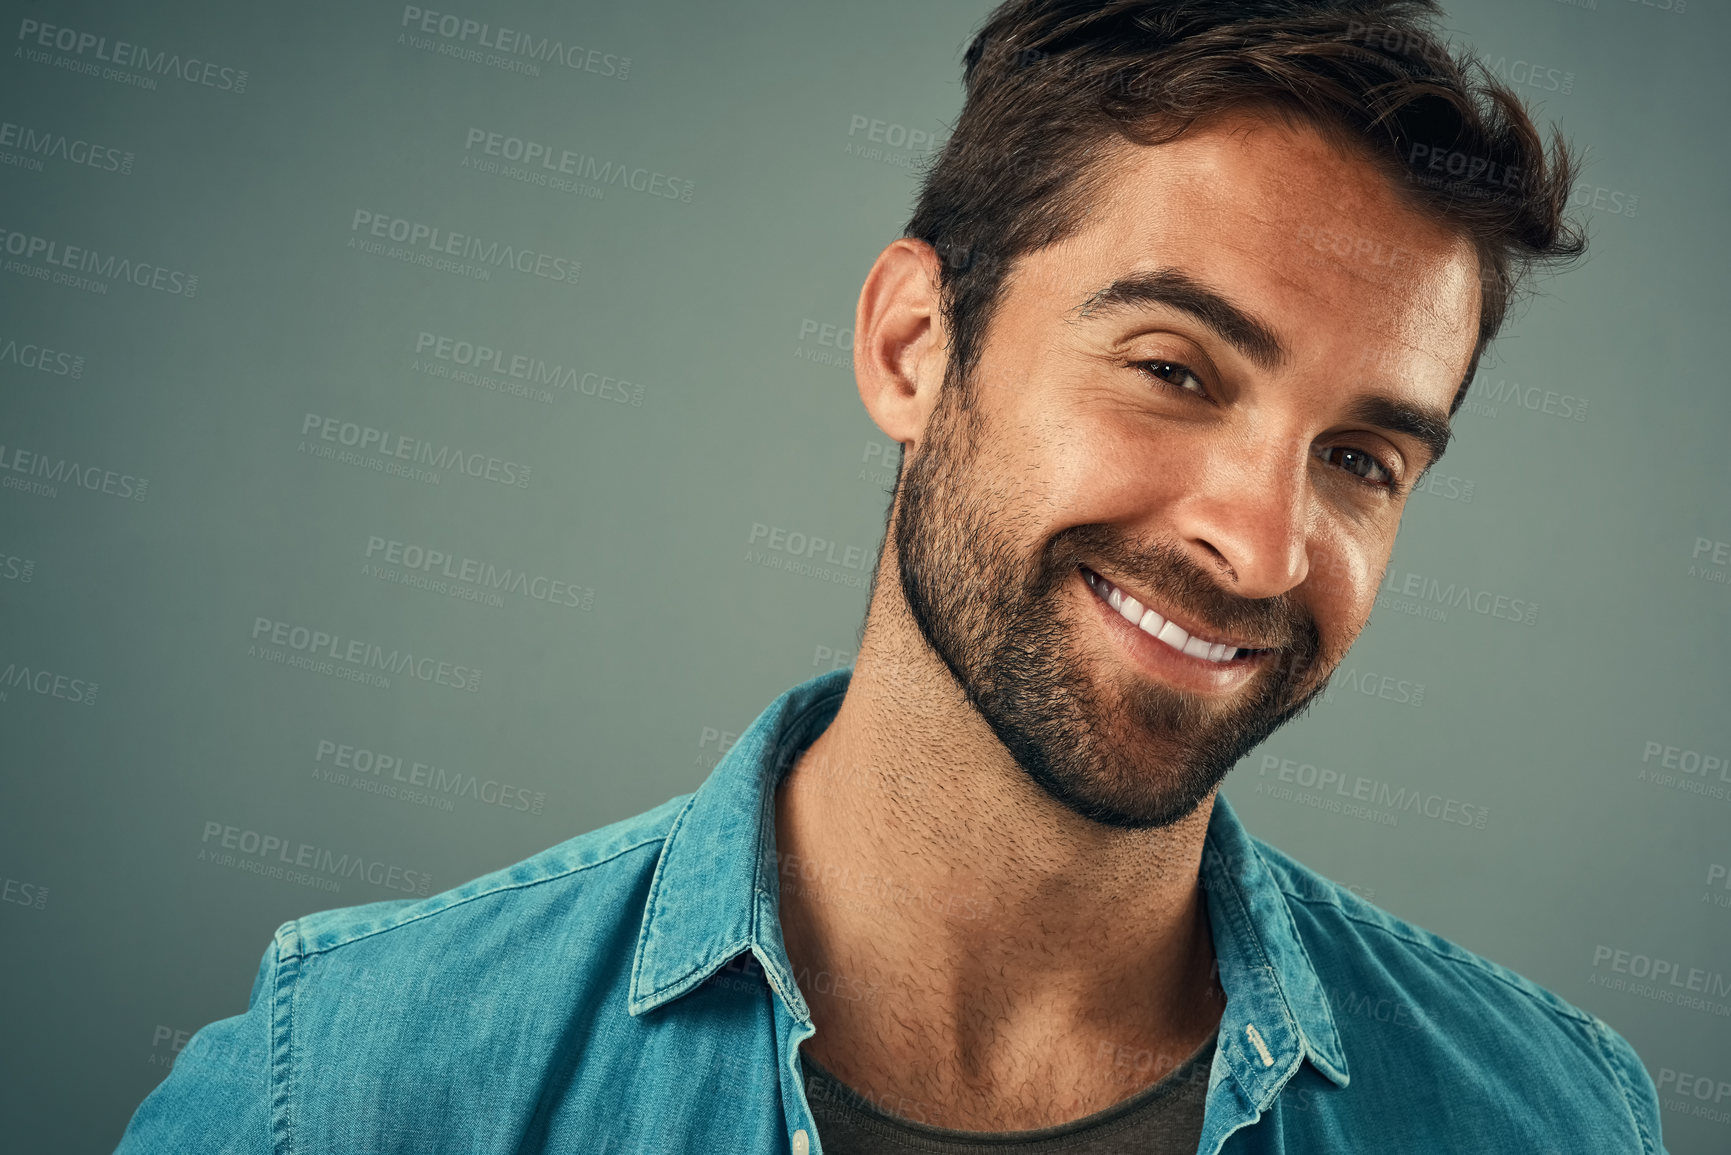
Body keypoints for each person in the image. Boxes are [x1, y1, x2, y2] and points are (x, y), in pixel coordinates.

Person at [115, 2, 1666, 1152]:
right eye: (1173, 371)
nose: (1258, 545)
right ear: (914, 346)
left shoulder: (1545, 1122)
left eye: (1363, 461)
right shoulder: (347, 1090)